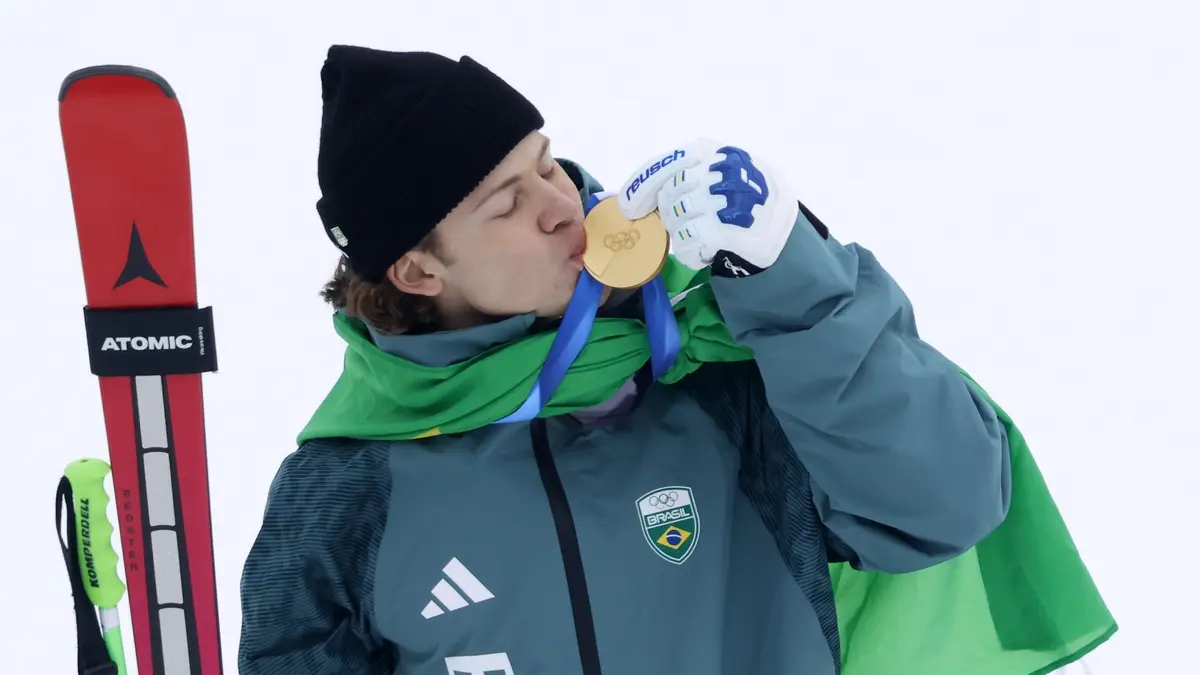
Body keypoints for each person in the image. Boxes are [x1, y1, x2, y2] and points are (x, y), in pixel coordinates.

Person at [236, 44, 1016, 675]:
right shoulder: (346, 486)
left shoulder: (714, 363)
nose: (559, 205)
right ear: (418, 271)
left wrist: (789, 278)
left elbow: (945, 504)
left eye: (545, 164)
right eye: (505, 205)